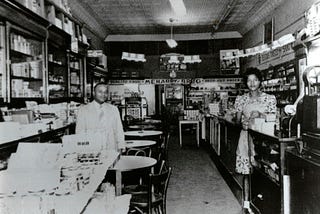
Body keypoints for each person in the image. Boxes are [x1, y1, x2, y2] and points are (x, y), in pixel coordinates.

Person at [234, 67, 276, 211]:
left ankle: (262, 202)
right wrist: (242, 124)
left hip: (264, 140)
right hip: (246, 138)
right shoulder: (241, 99)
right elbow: (237, 120)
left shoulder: (269, 98)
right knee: (247, 172)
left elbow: (273, 118)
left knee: (263, 172)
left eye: (255, 80)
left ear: (260, 81)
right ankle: (246, 204)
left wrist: (260, 114)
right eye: (249, 80)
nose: (252, 83)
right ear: (246, 83)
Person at [76, 82, 125, 152]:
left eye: (105, 92)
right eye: (100, 92)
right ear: (93, 93)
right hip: (92, 150)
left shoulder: (113, 109)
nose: (103, 95)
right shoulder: (83, 110)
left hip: (111, 148)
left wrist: (121, 146)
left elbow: (119, 130)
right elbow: (80, 133)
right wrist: (82, 150)